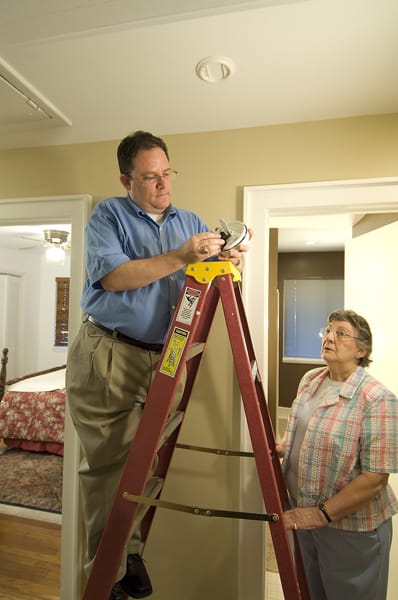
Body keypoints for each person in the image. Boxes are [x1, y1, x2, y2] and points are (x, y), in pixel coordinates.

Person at [65, 130, 251, 600]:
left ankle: (129, 553)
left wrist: (228, 262)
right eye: (150, 177)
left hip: (167, 356)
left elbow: (203, 275)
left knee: (145, 461)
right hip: (110, 351)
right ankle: (104, 575)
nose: (163, 184)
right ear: (127, 180)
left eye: (167, 173)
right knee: (109, 467)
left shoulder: (188, 220)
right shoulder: (109, 215)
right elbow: (112, 277)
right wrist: (179, 256)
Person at [277, 309, 398, 600]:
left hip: (351, 532)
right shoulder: (311, 379)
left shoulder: (377, 398)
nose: (329, 337)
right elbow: (303, 430)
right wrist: (285, 446)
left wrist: (320, 515)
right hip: (305, 521)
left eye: (340, 333)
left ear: (361, 350)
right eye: (328, 330)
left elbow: (374, 478)